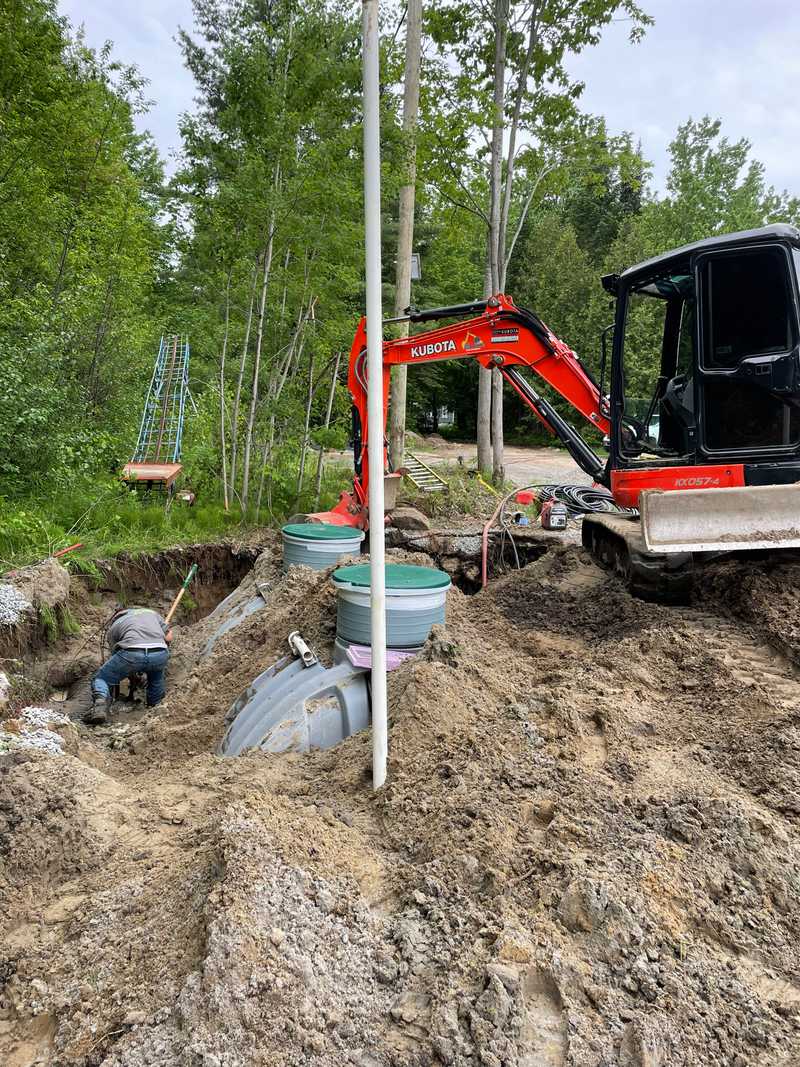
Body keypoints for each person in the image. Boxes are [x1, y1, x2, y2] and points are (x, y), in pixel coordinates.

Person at [87, 606, 172, 724]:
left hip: (131, 653)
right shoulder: (152, 613)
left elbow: (117, 656)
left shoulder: (114, 626)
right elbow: (169, 637)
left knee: (101, 678)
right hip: (160, 651)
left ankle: (99, 708)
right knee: (155, 680)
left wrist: (131, 672)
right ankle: (155, 711)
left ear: (118, 616)